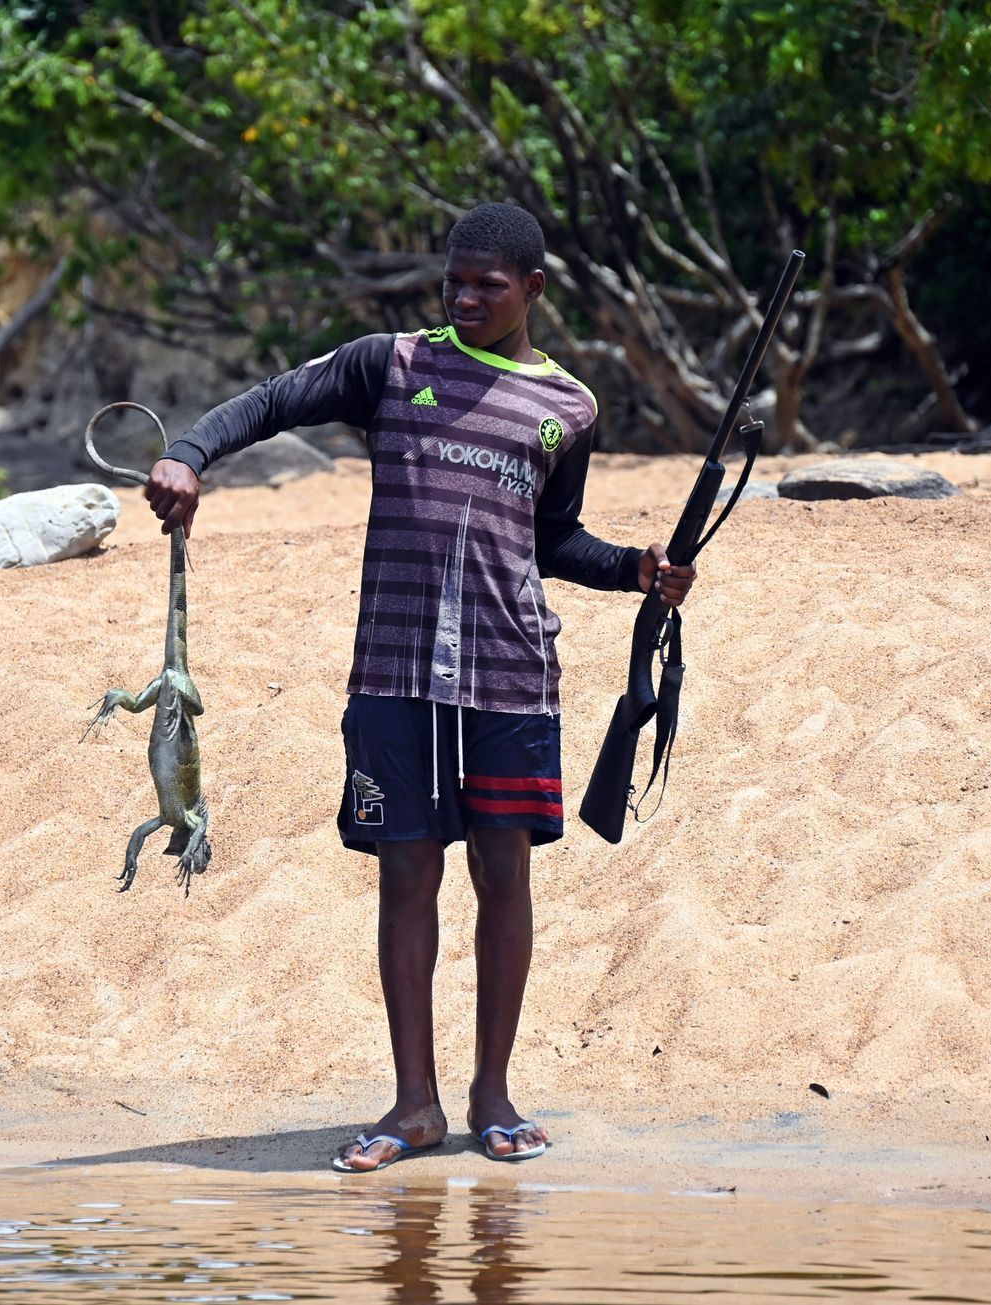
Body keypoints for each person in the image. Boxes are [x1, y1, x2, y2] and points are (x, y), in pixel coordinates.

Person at [142, 201, 694, 1170]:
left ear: (534, 291)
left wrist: (634, 570)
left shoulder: (569, 407)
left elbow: (552, 537)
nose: (468, 296)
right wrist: (187, 456)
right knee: (406, 874)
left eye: (489, 284)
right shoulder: (389, 366)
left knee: (502, 875)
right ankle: (414, 1106)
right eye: (455, 279)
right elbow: (271, 401)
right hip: (395, 670)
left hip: (511, 674)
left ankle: (492, 1095)